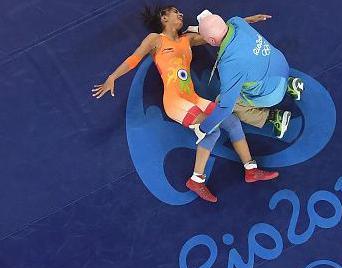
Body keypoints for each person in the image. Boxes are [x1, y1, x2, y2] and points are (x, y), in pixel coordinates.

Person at [92, 5, 279, 203]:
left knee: (231, 121)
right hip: (175, 102)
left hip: (194, 98)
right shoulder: (155, 40)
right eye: (174, 11)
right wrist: (112, 77)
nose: (180, 13)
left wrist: (247, 20)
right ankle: (196, 179)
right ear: (164, 17)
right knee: (212, 130)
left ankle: (251, 170)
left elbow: (221, 33)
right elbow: (133, 59)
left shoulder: (187, 39)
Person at [191, 10, 304, 144]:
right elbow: (242, 21)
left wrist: (203, 129)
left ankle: (274, 117)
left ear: (211, 40)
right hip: (282, 66)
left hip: (272, 93)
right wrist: (252, 19)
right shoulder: (236, 21)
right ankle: (290, 85)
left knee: (222, 100)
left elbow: (225, 108)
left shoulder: (228, 64)